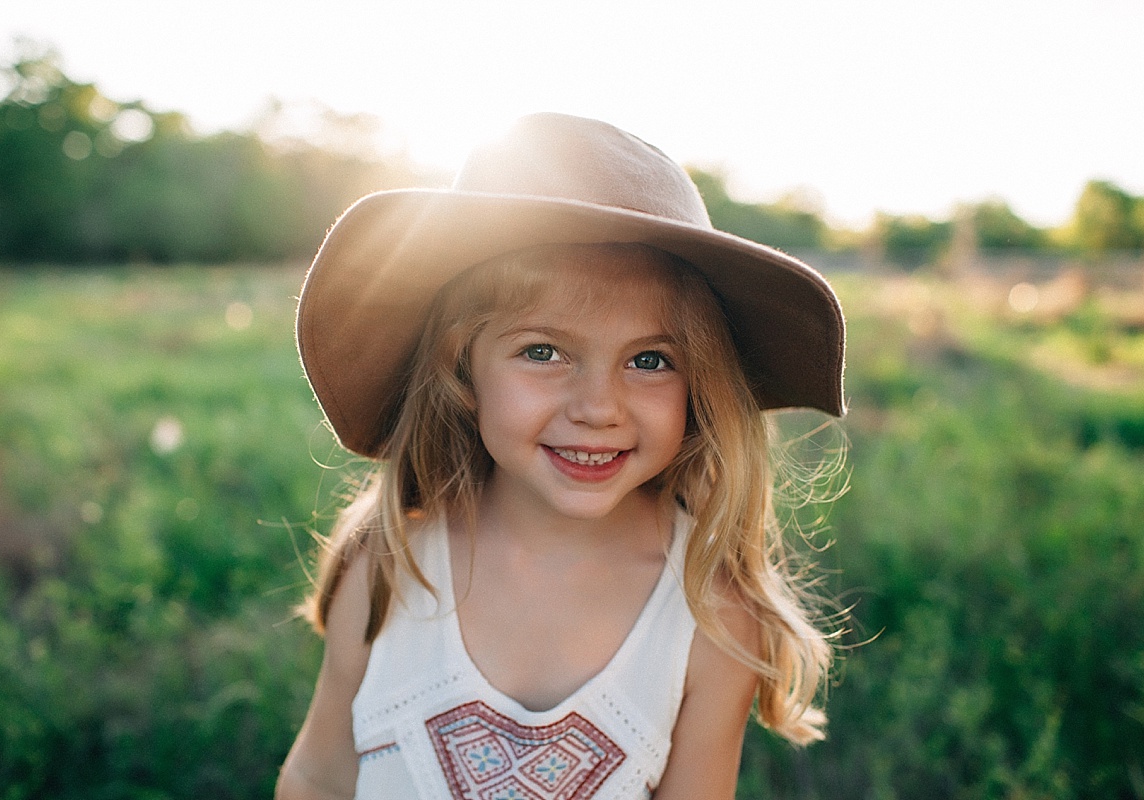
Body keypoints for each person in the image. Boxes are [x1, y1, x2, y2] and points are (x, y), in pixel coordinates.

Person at [276, 112, 847, 800]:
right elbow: (318, 775)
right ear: (462, 371)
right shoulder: (390, 562)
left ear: (701, 386)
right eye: (542, 352)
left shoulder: (711, 614)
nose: (598, 406)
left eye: (649, 359)